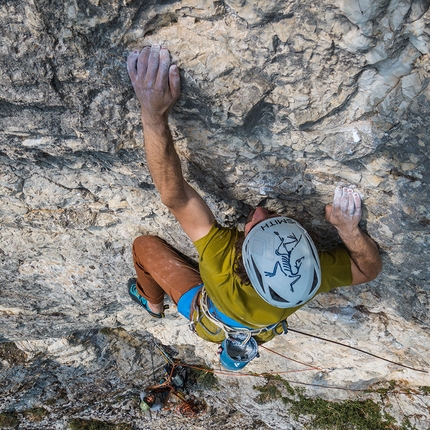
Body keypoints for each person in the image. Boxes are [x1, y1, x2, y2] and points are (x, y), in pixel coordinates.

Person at [126, 45, 382, 365]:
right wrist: (348, 230)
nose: (258, 212)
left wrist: (153, 115)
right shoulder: (307, 275)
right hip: (249, 325)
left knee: (143, 246)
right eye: (273, 220)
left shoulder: (221, 267)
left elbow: (174, 194)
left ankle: (152, 303)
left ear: (240, 259)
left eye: (251, 230)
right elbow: (367, 269)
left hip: (206, 313)